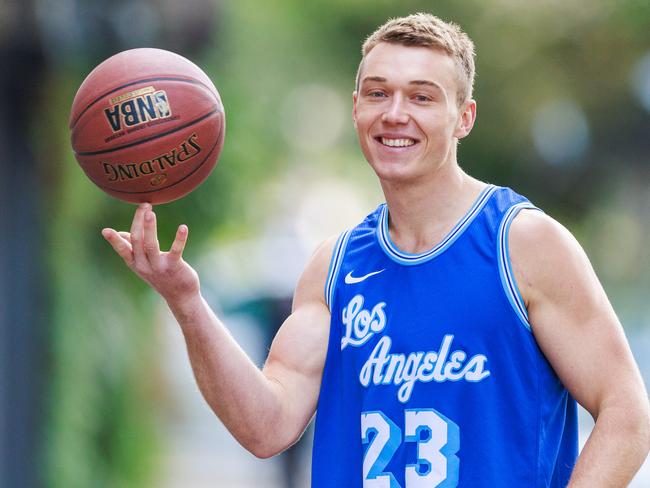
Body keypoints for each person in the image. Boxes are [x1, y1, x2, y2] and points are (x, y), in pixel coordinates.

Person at [102, 13, 650, 487]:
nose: (395, 113)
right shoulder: (335, 267)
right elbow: (266, 427)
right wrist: (186, 301)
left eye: (422, 97)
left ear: (464, 117)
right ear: (357, 108)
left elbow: (628, 413)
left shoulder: (523, 244)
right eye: (378, 93)